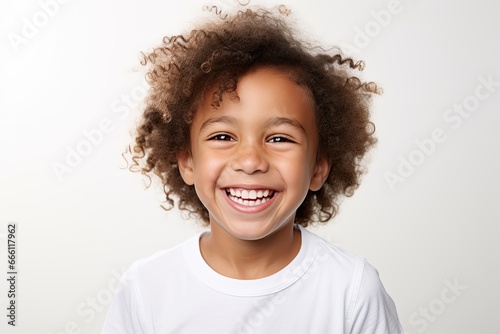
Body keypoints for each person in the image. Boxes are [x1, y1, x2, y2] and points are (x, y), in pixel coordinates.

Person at [102, 5, 403, 334]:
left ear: (318, 167)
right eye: (222, 136)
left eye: (278, 138)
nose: (250, 161)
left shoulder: (352, 290)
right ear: (187, 161)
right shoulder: (146, 289)